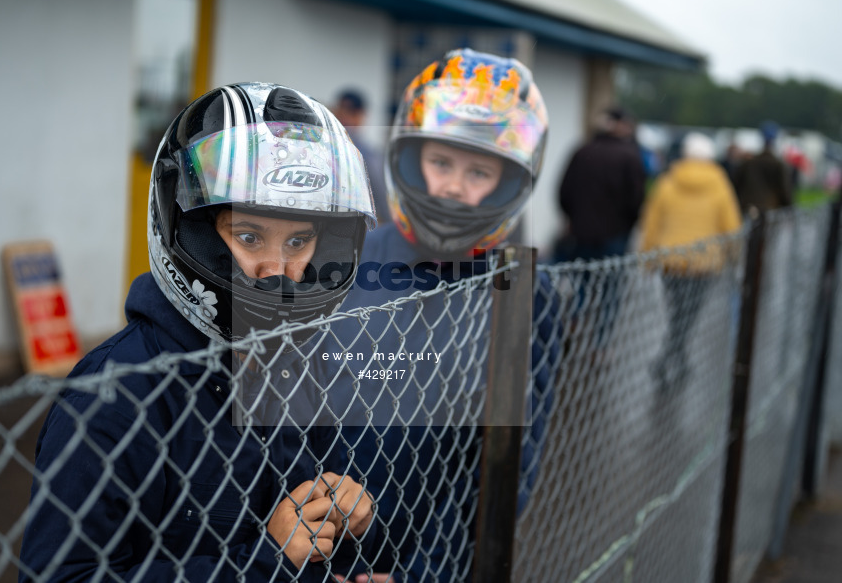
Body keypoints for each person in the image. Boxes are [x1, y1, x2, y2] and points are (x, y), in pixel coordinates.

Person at [19, 83, 379, 582]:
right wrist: (261, 563)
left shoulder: (298, 368)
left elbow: (312, 541)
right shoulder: (114, 395)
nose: (277, 268)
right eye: (249, 237)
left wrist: (351, 520)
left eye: (299, 241)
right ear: (192, 230)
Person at [316, 49, 559, 582]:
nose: (453, 187)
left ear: (510, 182)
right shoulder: (342, 262)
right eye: (441, 163)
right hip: (316, 549)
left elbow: (505, 473)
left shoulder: (519, 291)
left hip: (429, 560)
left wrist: (424, 573)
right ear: (409, 157)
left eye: (480, 171)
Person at [638, 132, 742, 388]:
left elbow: (651, 221)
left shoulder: (668, 182)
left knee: (677, 313)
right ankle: (667, 361)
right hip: (703, 264)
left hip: (670, 260)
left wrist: (648, 257)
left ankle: (674, 360)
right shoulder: (720, 184)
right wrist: (734, 256)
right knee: (687, 316)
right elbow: (731, 225)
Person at [557, 106, 646, 262]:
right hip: (616, 234)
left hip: (582, 234)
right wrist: (628, 224)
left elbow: (564, 193)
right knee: (609, 282)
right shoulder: (630, 156)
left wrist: (575, 219)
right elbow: (636, 198)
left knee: (582, 280)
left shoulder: (582, 151)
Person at [332, 88, 390, 224]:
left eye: (349, 113)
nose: (344, 118)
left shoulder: (368, 153)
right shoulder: (367, 153)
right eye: (341, 112)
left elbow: (381, 196)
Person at [732, 121, 793, 215]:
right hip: (769, 211)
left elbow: (735, 187)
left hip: (747, 209)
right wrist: (789, 208)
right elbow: (784, 191)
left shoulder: (748, 163)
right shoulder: (778, 165)